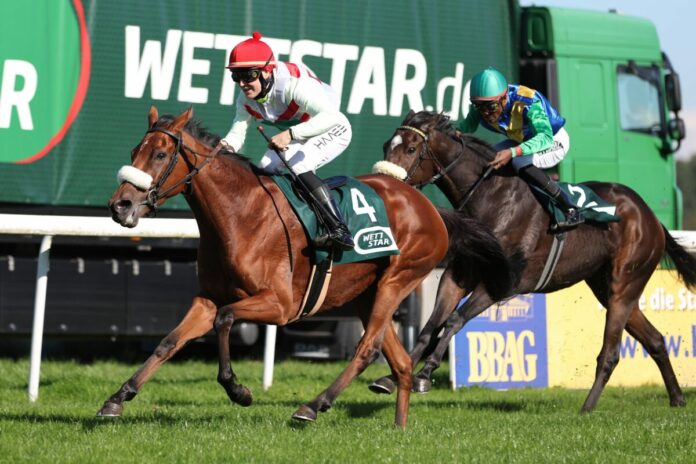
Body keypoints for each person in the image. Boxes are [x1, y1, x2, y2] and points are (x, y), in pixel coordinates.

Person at [221, 32, 354, 250]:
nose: (243, 84)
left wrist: (289, 134)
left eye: (249, 75)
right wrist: (222, 148)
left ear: (267, 71)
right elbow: (237, 134)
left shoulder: (293, 84)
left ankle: (340, 230)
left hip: (333, 125)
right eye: (236, 77)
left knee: (299, 165)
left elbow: (331, 117)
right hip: (303, 131)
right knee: (266, 166)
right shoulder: (245, 100)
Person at [458, 67, 584, 229]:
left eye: (491, 107)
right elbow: (468, 125)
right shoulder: (483, 105)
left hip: (553, 140)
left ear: (504, 98)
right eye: (479, 106)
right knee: (487, 156)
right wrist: (456, 130)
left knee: (519, 161)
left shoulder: (529, 102)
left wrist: (513, 152)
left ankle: (569, 208)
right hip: (523, 140)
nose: (486, 113)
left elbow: (545, 137)